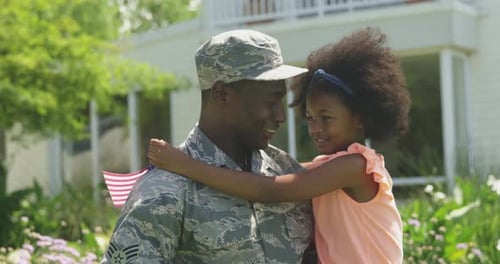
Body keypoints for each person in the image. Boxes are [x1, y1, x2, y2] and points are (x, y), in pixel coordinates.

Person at [148, 28, 410, 263]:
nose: (316, 128)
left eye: (326, 118)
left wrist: (184, 164)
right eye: (309, 118)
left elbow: (269, 189)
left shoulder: (356, 166)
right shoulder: (328, 167)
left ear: (360, 119)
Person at [102, 29, 316, 263]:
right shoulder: (164, 193)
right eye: (270, 101)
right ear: (221, 94)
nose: (280, 115)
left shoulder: (288, 173)